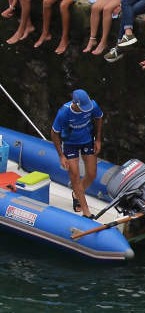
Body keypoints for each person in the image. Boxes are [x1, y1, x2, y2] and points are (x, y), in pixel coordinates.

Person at [50, 88, 103, 217]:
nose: (86, 109)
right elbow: (54, 133)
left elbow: (99, 118)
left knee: (91, 174)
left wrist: (98, 139)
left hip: (87, 140)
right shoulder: (64, 112)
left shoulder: (92, 105)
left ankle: (76, 193)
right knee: (75, 175)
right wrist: (61, 155)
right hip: (70, 144)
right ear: (75, 103)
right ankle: (86, 211)